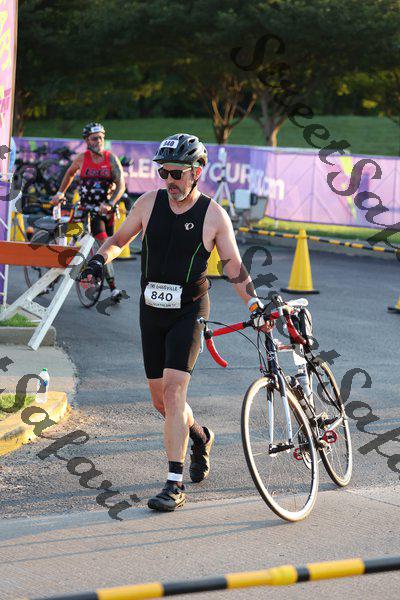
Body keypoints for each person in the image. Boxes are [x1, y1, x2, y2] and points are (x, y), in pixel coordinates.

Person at [79, 133, 272, 511]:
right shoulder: (148, 203)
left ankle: (173, 483)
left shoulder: (213, 215)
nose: (169, 180)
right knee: (162, 403)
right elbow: (118, 239)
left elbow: (233, 265)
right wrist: (99, 260)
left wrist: (253, 303)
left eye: (177, 173)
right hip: (151, 311)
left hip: (190, 311)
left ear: (197, 172)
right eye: (163, 172)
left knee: (173, 392)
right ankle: (200, 436)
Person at [51, 122, 126, 301]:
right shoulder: (81, 158)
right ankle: (52, 280)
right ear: (86, 140)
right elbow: (70, 174)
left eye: (101, 137)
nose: (98, 141)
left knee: (104, 245)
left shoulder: (111, 158)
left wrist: (110, 203)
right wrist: (60, 193)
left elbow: (121, 185)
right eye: (94, 138)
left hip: (102, 211)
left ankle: (113, 288)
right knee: (67, 237)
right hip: (84, 208)